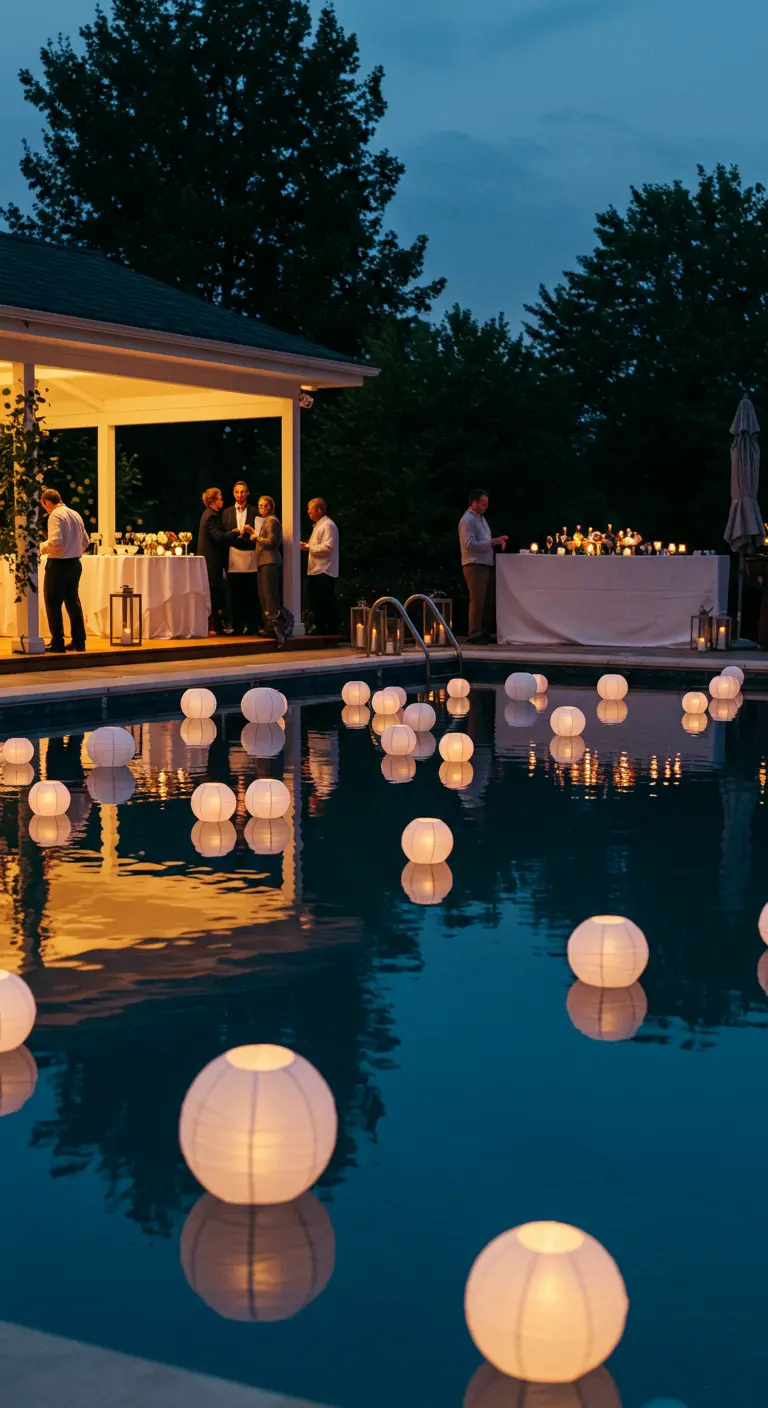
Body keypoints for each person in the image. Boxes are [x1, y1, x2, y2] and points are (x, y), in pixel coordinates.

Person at [39, 489, 89, 653]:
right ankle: (79, 641)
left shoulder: (55, 515)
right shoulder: (75, 514)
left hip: (59, 564)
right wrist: (74, 551)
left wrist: (42, 547)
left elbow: (56, 542)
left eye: (44, 505)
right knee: (73, 601)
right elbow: (86, 541)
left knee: (53, 603)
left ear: (46, 502)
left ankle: (58, 642)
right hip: (75, 564)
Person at [458, 489, 507, 644]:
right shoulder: (468, 520)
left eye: (487, 503)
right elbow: (469, 545)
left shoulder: (480, 519)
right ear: (474, 503)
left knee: (486, 600)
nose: (486, 506)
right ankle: (474, 633)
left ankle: (483, 632)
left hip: (485, 563)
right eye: (483, 503)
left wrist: (495, 541)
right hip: (474, 564)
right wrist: (492, 542)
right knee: (477, 600)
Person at [222, 479, 261, 634]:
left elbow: (258, 533)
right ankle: (237, 625)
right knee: (235, 592)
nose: (240, 495)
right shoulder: (227, 512)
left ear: (247, 493)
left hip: (250, 554)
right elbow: (224, 535)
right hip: (233, 554)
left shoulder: (255, 511)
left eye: (243, 492)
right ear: (233, 494)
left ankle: (252, 625)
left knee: (251, 591)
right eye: (237, 492)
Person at [302, 497, 339, 635]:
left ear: (318, 509)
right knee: (316, 600)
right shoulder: (319, 525)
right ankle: (322, 627)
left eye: (310, 509)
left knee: (323, 601)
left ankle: (326, 630)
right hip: (317, 569)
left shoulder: (327, 525)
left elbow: (328, 547)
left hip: (324, 569)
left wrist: (308, 547)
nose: (308, 512)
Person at [197, 487, 229, 635]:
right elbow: (219, 537)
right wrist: (235, 534)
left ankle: (214, 625)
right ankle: (215, 626)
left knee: (214, 592)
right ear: (213, 501)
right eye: (220, 498)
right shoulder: (212, 516)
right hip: (212, 562)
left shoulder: (207, 515)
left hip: (210, 561)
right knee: (215, 592)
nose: (222, 501)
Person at [255, 495, 283, 641]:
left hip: (269, 561)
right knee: (264, 596)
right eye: (260, 505)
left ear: (271, 507)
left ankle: (277, 630)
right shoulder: (265, 520)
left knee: (270, 596)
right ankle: (269, 628)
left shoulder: (272, 520)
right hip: (262, 561)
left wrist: (256, 537)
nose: (262, 508)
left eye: (265, 505)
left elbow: (273, 541)